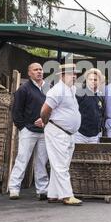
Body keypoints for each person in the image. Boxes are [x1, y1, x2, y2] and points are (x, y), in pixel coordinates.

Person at [40, 63, 82, 206]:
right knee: (60, 165)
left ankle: (53, 194)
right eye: (71, 74)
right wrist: (45, 122)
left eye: (75, 74)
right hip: (57, 130)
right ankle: (67, 195)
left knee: (61, 163)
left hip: (67, 132)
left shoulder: (71, 89)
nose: (74, 76)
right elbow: (45, 110)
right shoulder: (56, 90)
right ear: (62, 75)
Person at [8, 63, 49, 200]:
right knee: (22, 159)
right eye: (35, 70)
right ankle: (14, 188)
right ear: (29, 73)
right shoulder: (23, 89)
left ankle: (42, 190)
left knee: (41, 161)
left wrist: (46, 122)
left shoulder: (48, 88)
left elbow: (53, 107)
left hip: (44, 131)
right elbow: (16, 110)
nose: (39, 72)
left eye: (40, 69)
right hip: (28, 130)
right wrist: (23, 127)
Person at [75, 68, 105, 144]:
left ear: (99, 81)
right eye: (90, 79)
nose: (92, 81)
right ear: (86, 80)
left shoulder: (100, 96)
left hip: (95, 136)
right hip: (80, 134)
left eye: (95, 80)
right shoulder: (79, 93)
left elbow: (102, 113)